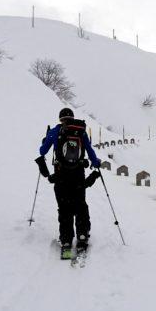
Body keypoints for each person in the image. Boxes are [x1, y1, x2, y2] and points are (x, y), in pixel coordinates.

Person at [35, 107, 102, 259]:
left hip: (61, 176)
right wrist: (96, 162)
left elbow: (42, 151)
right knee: (80, 205)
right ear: (72, 118)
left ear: (60, 119)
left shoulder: (55, 131)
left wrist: (45, 140)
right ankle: (83, 236)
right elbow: (90, 151)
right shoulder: (81, 131)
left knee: (64, 207)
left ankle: (66, 241)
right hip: (78, 174)